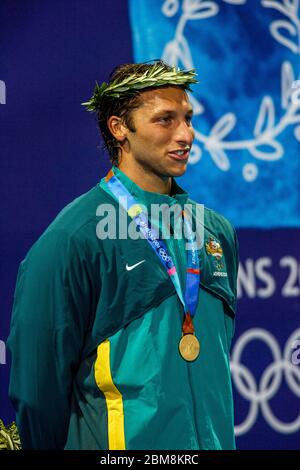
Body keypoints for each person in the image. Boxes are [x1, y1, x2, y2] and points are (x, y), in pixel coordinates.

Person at [8, 61, 239, 450]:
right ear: (119, 129)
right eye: (165, 120)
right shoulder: (73, 238)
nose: (186, 135)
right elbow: (37, 391)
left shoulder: (216, 233)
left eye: (187, 118)